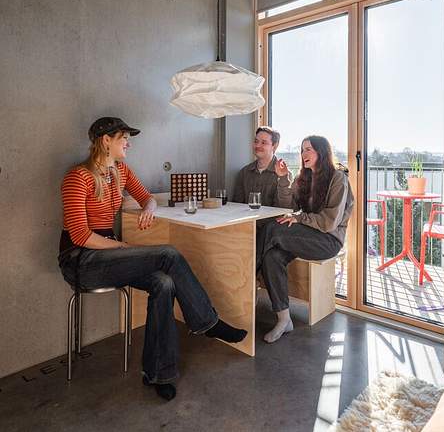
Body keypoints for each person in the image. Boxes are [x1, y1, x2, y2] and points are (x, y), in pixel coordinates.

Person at [58, 117, 247, 401]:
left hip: (107, 255)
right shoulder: (78, 177)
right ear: (106, 140)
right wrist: (122, 246)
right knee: (168, 254)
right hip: (80, 260)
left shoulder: (120, 172)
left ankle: (158, 373)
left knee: (164, 283)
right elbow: (81, 235)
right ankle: (208, 323)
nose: (128, 144)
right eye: (123, 138)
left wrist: (148, 208)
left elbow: (148, 198)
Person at [257, 135, 354, 343]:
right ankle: (284, 319)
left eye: (308, 149)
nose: (303, 154)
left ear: (322, 152)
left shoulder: (338, 178)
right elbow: (288, 207)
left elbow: (329, 222)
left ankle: (248, 278)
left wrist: (300, 218)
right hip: (306, 236)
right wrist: (283, 179)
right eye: (302, 150)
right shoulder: (305, 177)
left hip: (328, 241)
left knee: (273, 229)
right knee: (272, 257)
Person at [232, 126, 292, 207]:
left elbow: (284, 208)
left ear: (274, 146)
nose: (258, 145)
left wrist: (283, 178)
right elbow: (236, 205)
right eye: (256, 141)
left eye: (263, 142)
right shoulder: (244, 172)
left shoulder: (284, 175)